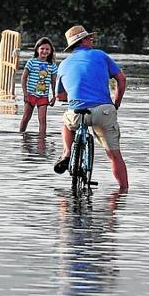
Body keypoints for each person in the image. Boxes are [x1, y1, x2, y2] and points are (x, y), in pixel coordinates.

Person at [52, 25, 129, 193]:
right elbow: (121, 80)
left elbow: (59, 97)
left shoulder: (64, 64)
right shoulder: (100, 56)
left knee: (66, 122)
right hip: (103, 111)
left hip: (77, 113)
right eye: (90, 39)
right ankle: (122, 194)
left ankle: (66, 153)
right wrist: (117, 102)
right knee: (114, 156)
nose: (92, 42)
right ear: (84, 41)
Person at [19, 37, 57, 135]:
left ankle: (42, 139)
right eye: (42, 49)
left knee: (42, 119)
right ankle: (21, 135)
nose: (44, 51)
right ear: (37, 49)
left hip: (43, 96)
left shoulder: (52, 65)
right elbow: (23, 78)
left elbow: (53, 82)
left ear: (51, 51)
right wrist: (25, 93)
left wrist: (54, 96)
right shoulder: (31, 62)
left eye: (47, 49)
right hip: (31, 94)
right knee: (26, 117)